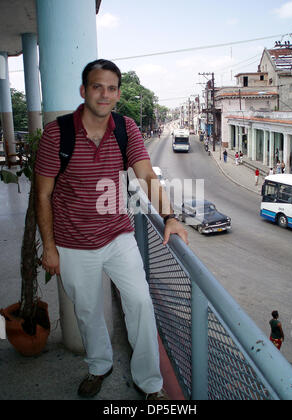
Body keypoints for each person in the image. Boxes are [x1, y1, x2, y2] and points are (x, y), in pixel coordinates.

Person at [35, 59, 188, 400]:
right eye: (97, 86)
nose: (104, 94)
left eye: (111, 88)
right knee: (87, 311)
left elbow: (147, 176)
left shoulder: (125, 128)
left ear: (118, 93)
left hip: (119, 235)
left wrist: (170, 217)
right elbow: (42, 194)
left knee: (140, 304)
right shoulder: (56, 133)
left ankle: (149, 383)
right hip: (72, 243)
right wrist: (49, 246)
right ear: (83, 90)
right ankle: (99, 366)